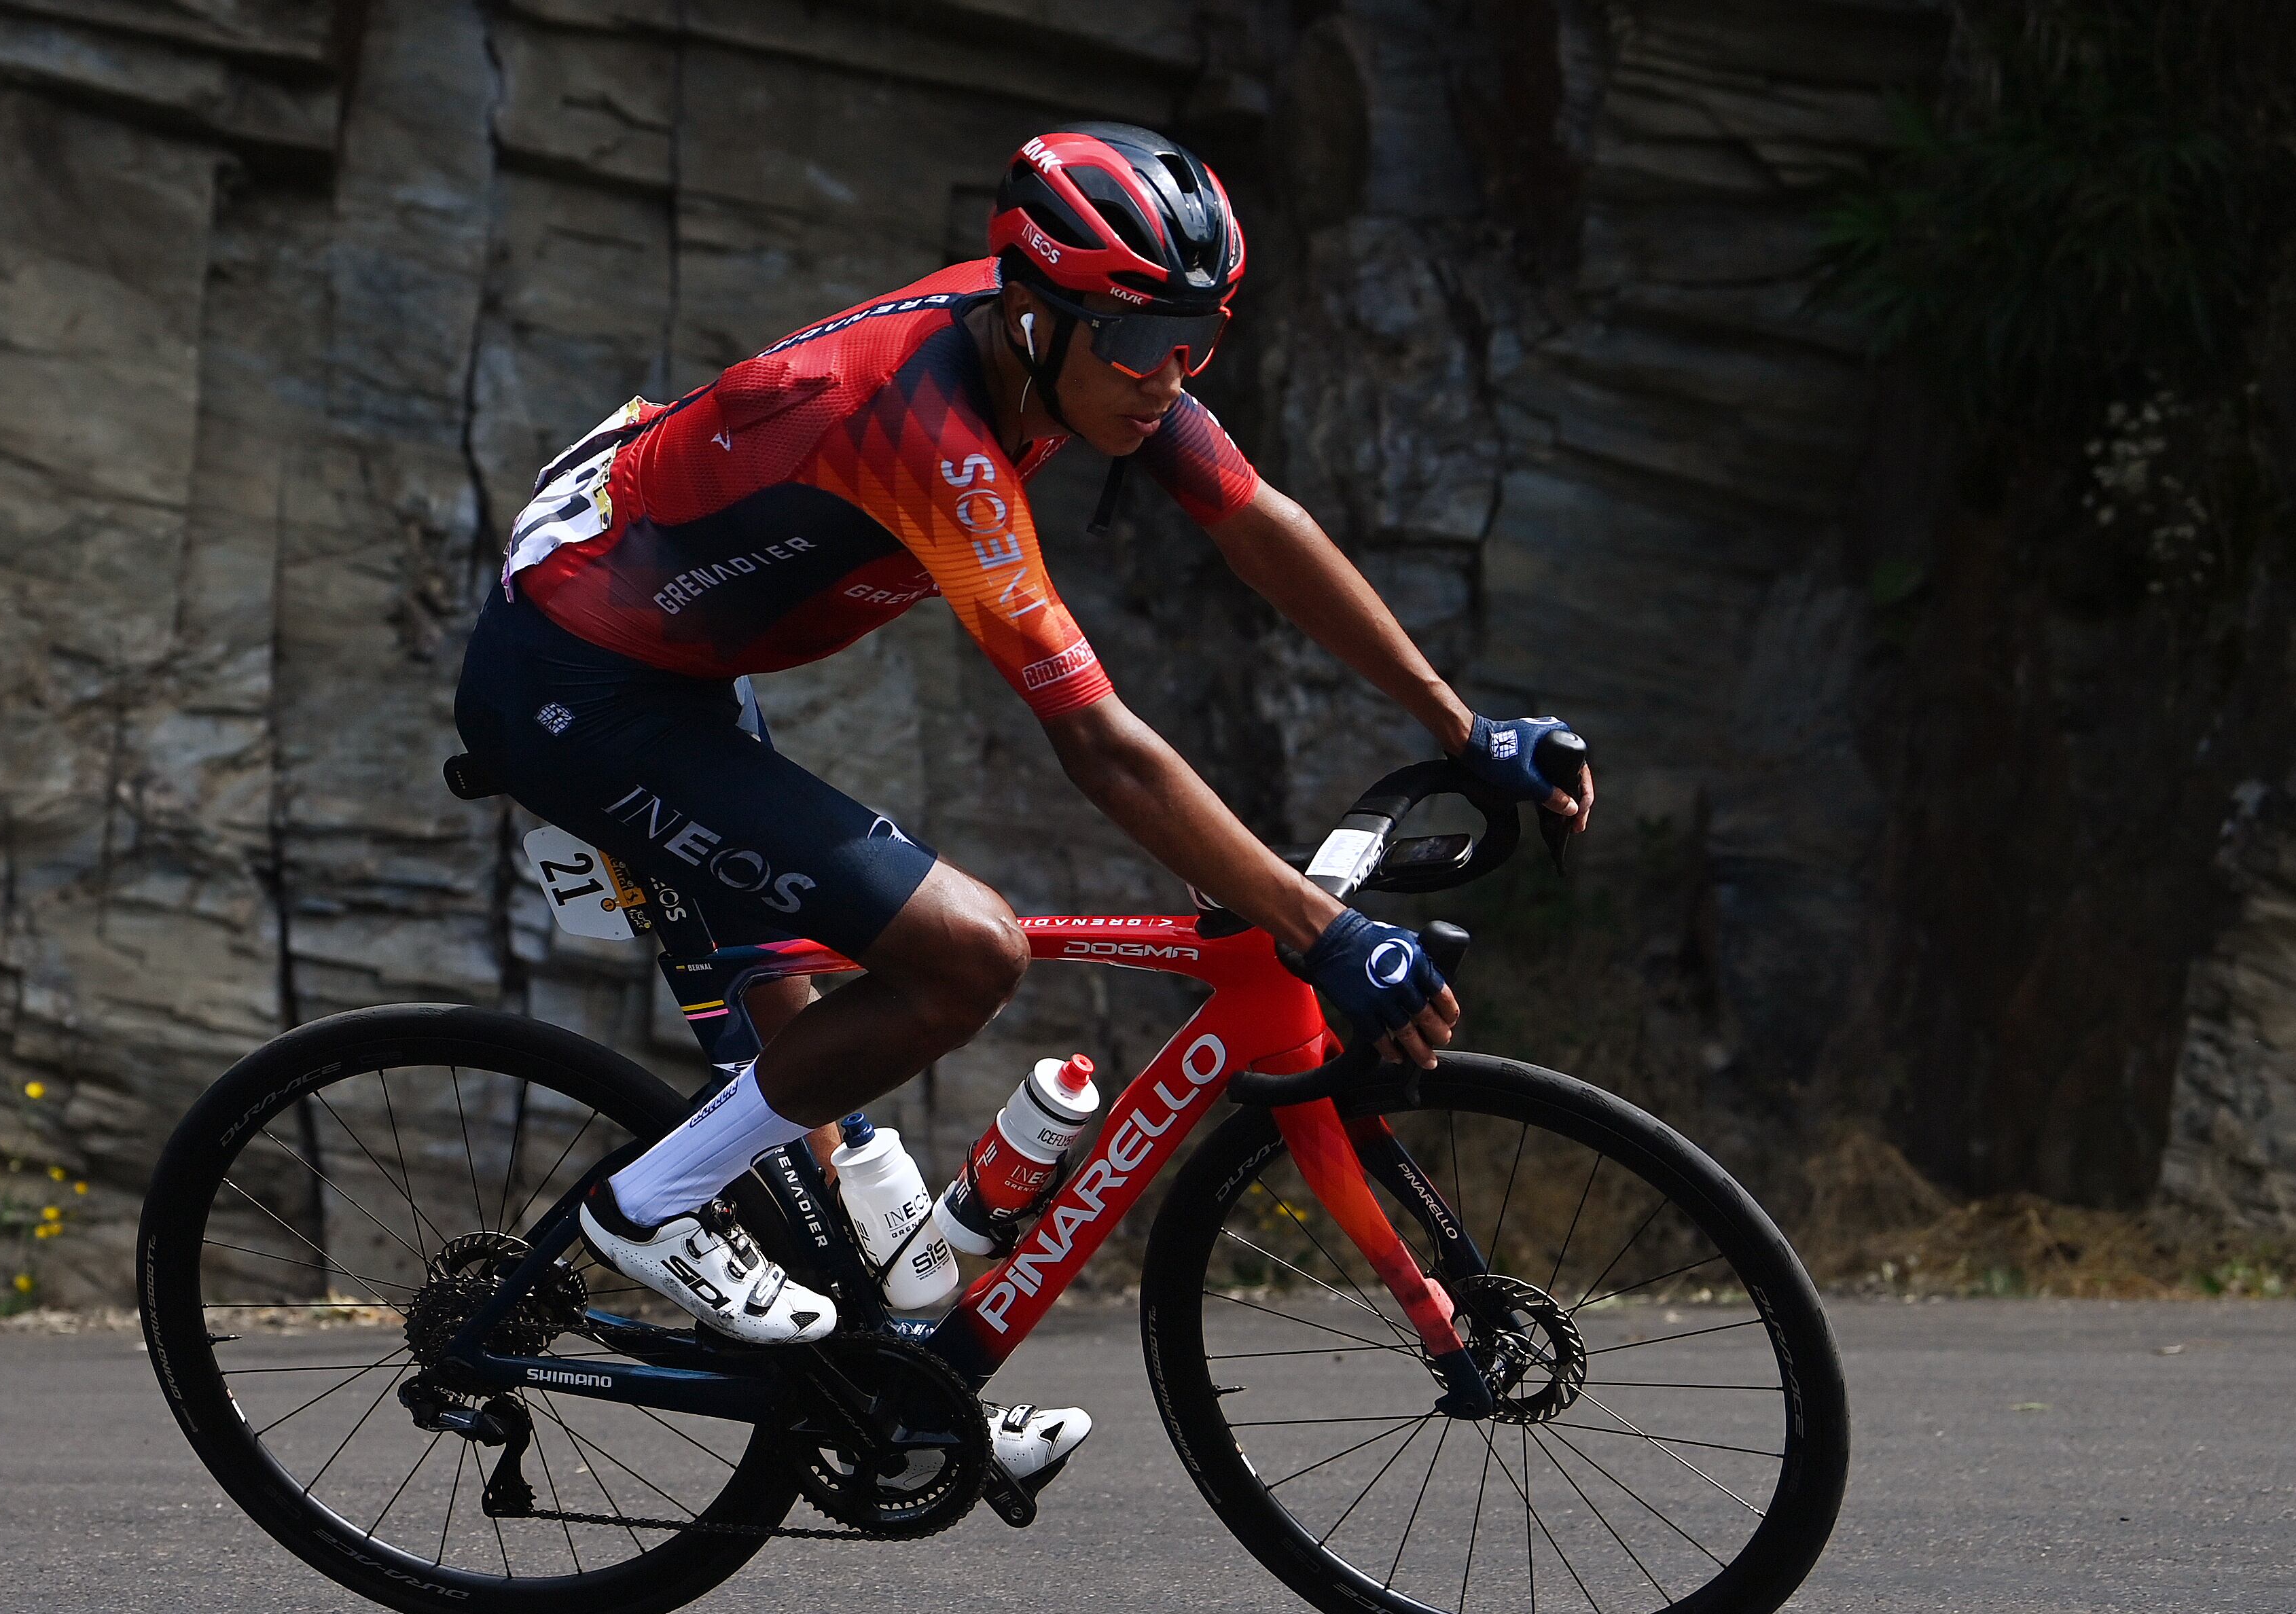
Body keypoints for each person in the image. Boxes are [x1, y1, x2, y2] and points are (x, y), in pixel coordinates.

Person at [452, 122, 1595, 1489]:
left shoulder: (1076, 358)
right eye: (1136, 343)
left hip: (669, 649)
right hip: (576, 680)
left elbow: (1255, 521)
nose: (1165, 377)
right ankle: (646, 1206)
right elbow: (1102, 750)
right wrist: (1312, 928)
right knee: (964, 952)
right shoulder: (929, 436)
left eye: (1197, 339)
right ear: (1034, 310)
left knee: (811, 1070)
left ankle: (894, 1390)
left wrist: (1463, 726)